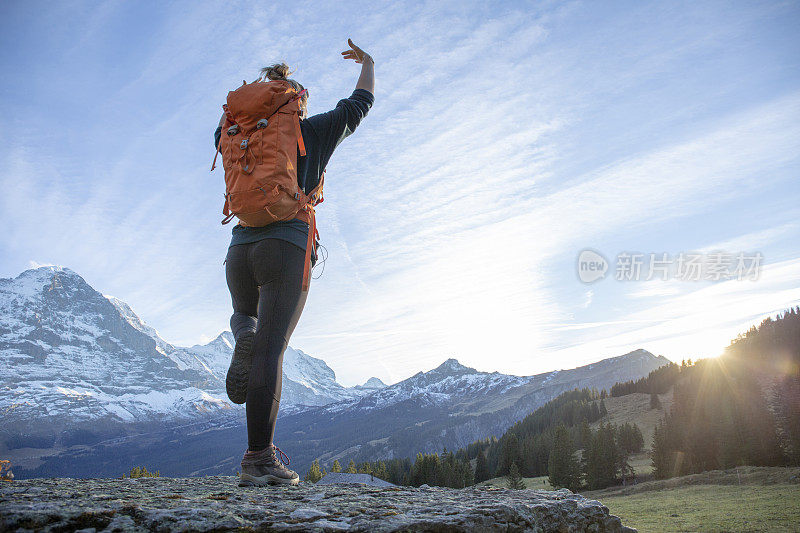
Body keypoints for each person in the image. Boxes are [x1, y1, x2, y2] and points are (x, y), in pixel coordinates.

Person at [215, 39, 375, 486]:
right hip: (284, 248)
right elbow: (361, 103)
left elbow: (229, 122)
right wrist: (369, 65)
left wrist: (249, 101)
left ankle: (241, 330)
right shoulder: (314, 131)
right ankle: (260, 459)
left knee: (248, 319)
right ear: (297, 103)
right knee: (271, 350)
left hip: (239, 249)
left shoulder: (231, 131)